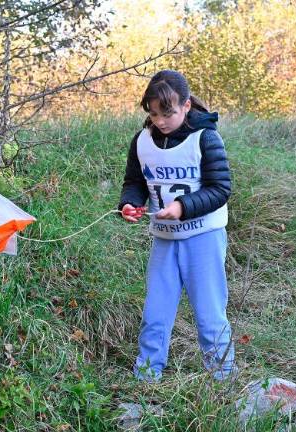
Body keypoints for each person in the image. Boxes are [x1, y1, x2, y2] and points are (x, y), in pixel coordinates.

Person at [118, 69, 235, 381]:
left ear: (186, 105)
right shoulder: (142, 141)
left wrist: (183, 207)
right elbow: (135, 182)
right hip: (164, 239)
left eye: (167, 113)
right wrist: (129, 203)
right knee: (155, 312)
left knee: (209, 315)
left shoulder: (206, 137)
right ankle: (145, 378)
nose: (160, 121)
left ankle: (222, 380)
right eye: (154, 113)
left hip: (203, 238)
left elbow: (220, 189)